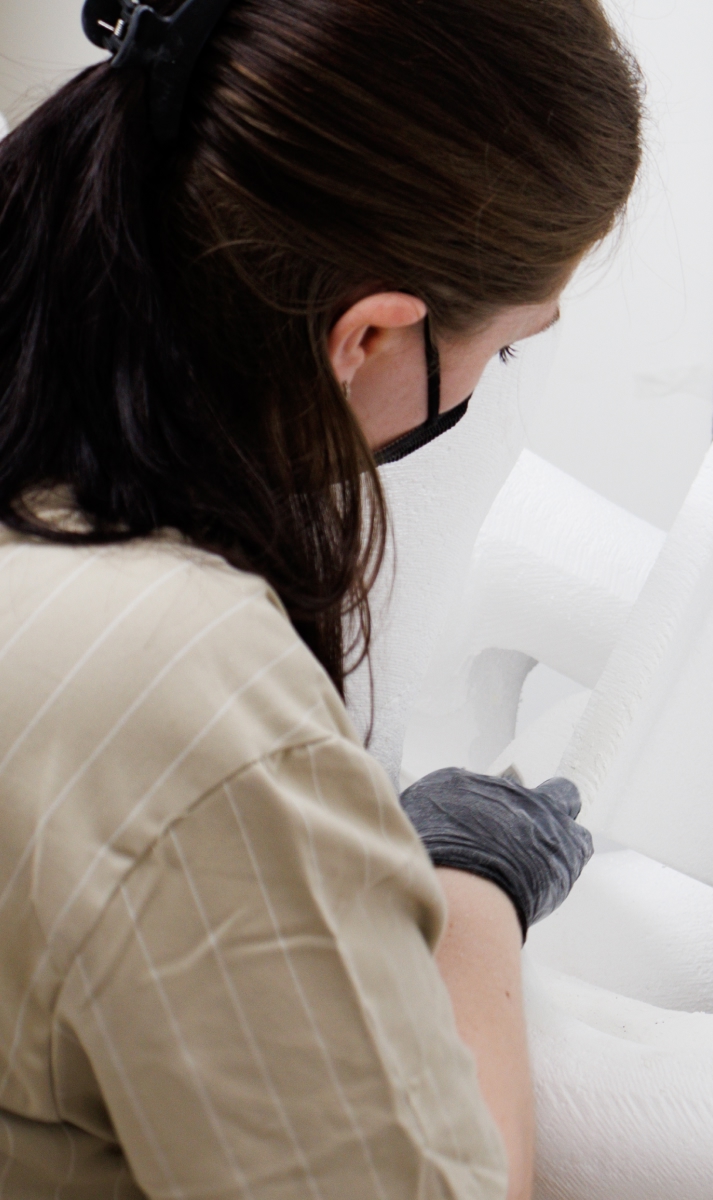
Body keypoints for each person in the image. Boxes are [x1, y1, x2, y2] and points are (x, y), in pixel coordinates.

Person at [0, 0, 641, 1196]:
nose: (495, 379)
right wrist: (472, 888)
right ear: (370, 337)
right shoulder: (176, 691)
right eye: (504, 348)